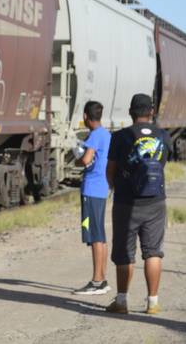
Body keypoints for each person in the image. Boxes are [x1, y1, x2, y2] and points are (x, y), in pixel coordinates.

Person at [105, 94, 170, 315]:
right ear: (151, 112)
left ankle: (121, 302)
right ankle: (153, 303)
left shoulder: (121, 136)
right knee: (153, 252)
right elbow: (161, 165)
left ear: (131, 112)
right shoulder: (163, 135)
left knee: (125, 253)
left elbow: (110, 170)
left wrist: (116, 187)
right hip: (156, 202)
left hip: (126, 202)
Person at [72, 101, 112, 295]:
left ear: (86, 116)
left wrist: (77, 160)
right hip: (102, 189)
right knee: (100, 236)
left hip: (91, 190)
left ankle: (97, 281)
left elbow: (87, 159)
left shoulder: (95, 136)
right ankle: (102, 279)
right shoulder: (106, 134)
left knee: (95, 236)